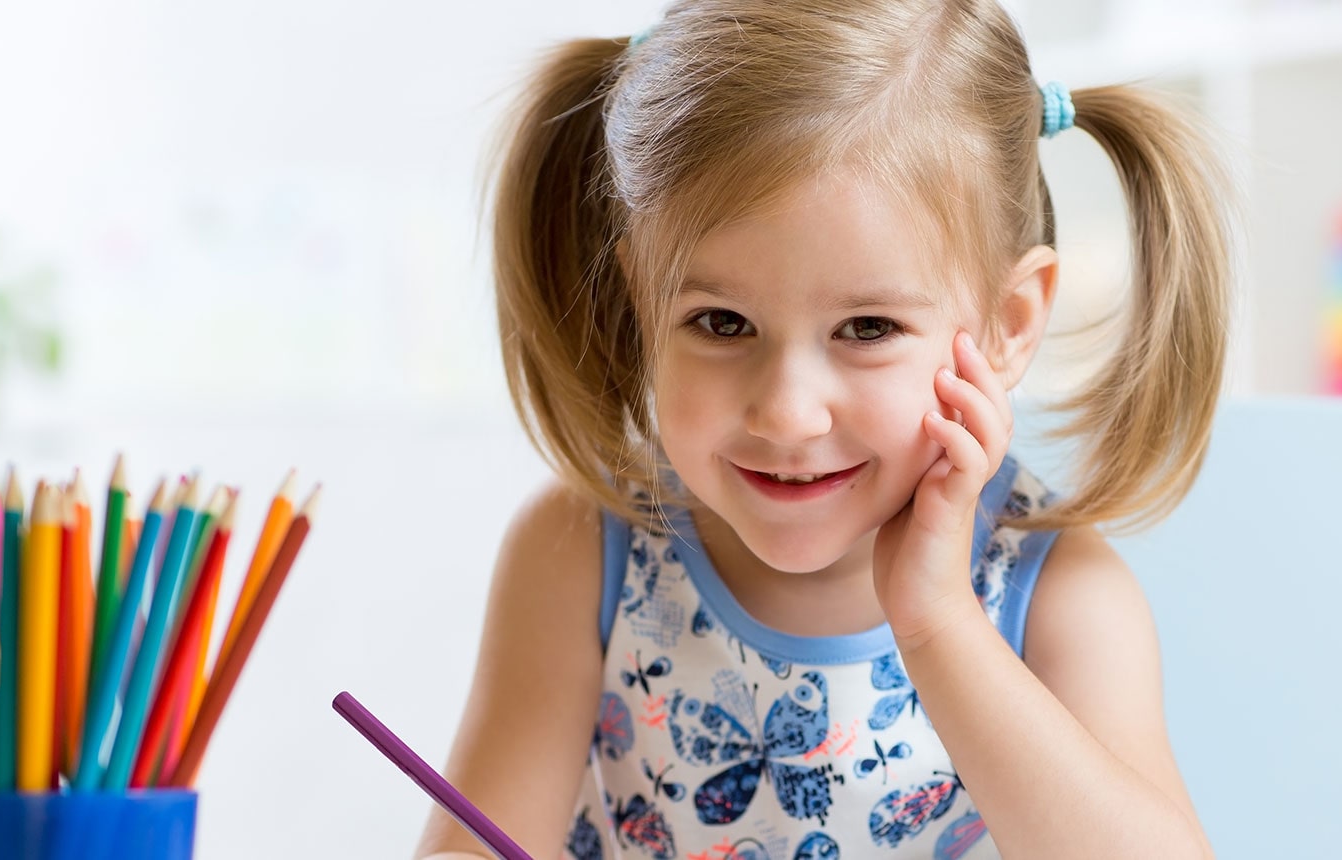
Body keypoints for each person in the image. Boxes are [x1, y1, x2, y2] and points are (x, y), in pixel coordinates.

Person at [423, 0, 1233, 856]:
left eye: (868, 330)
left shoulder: (1055, 593)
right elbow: (471, 843)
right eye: (722, 322)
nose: (787, 412)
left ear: (1009, 323)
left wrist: (938, 625)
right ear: (638, 303)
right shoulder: (587, 551)